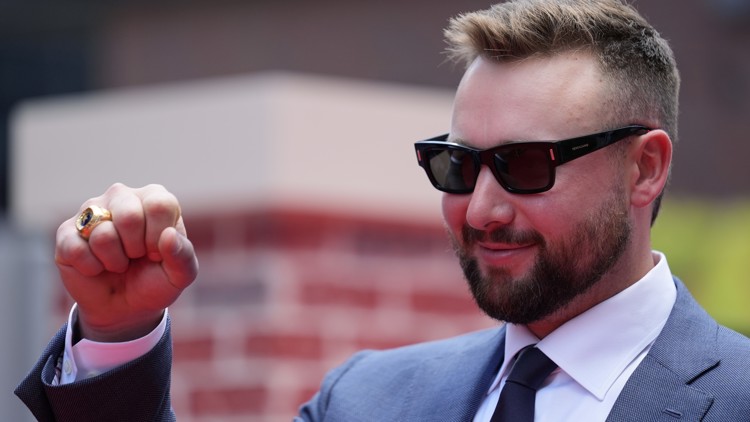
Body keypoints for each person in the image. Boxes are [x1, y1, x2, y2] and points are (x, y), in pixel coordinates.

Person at [16, 0, 750, 420]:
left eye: (527, 165)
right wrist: (117, 334)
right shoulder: (367, 401)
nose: (481, 209)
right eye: (456, 166)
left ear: (644, 169)